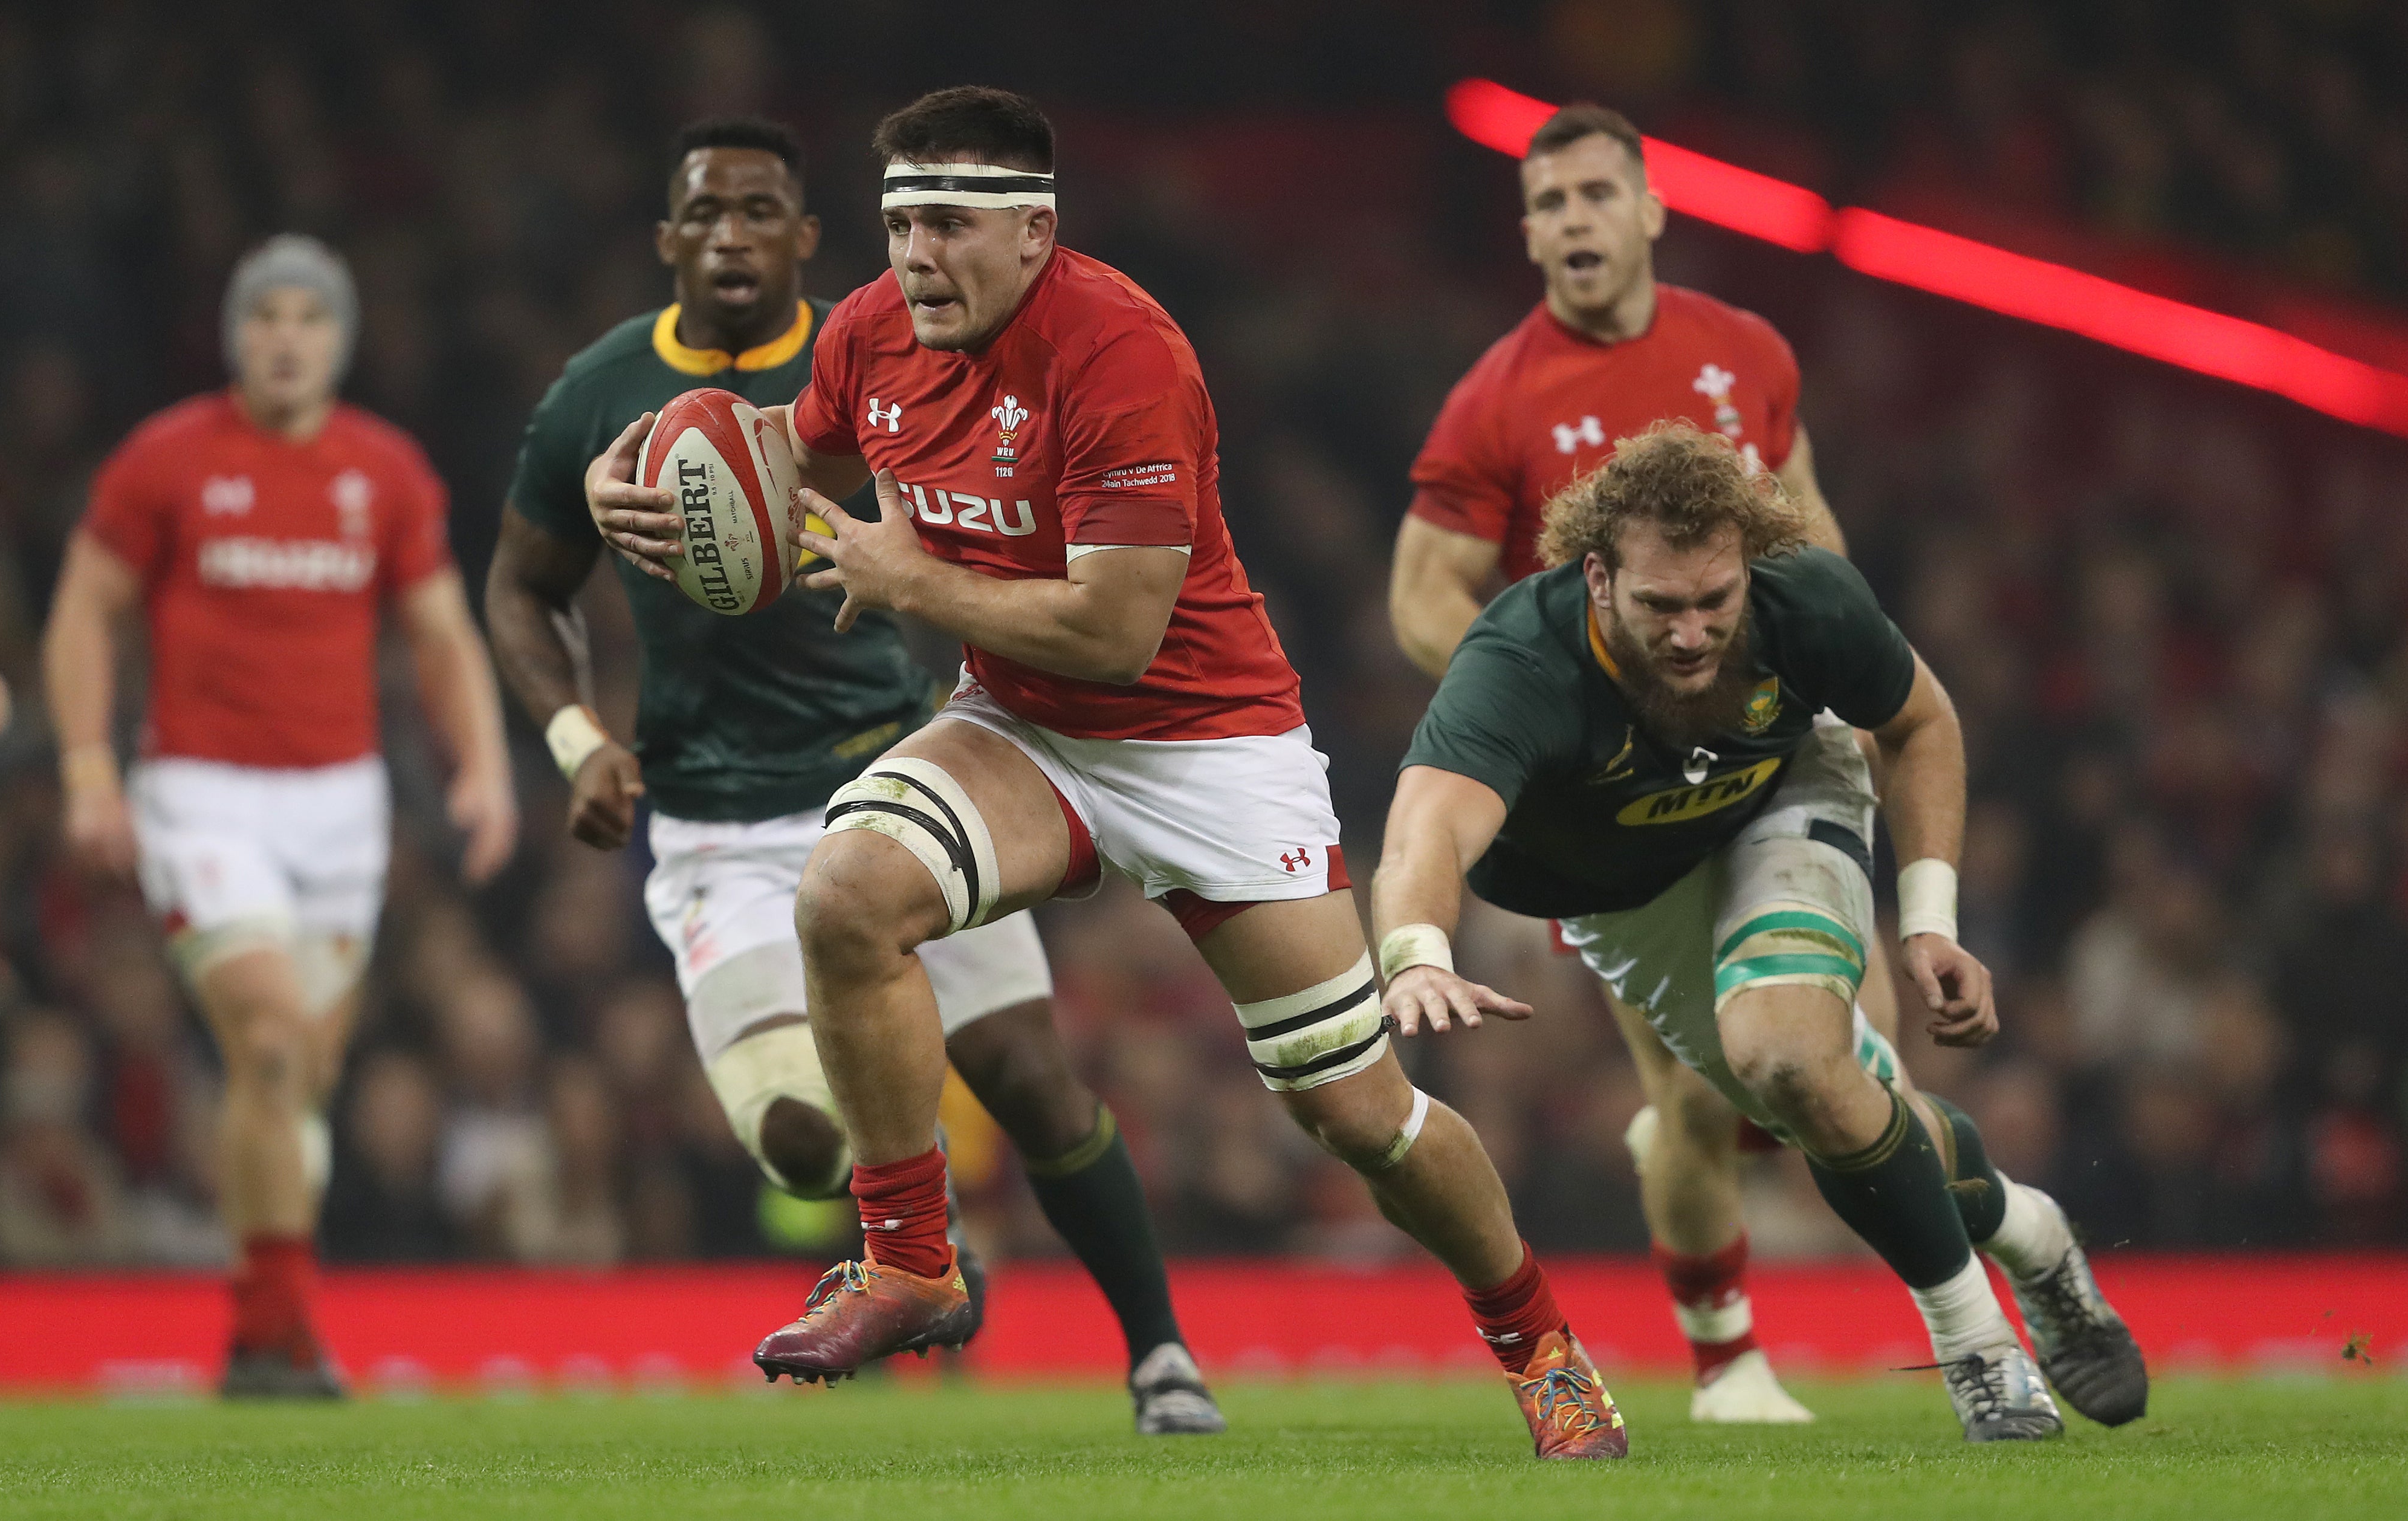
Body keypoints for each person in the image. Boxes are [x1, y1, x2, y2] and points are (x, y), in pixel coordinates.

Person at [586, 86, 1626, 1461]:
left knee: (1356, 1111)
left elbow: (1117, 632)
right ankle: (911, 1261)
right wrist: (659, 470)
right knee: (847, 890)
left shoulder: (1125, 349)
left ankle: (1539, 1344)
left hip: (1204, 743)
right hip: (1027, 732)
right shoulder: (871, 331)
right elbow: (792, 444)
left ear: (1034, 231)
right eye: (899, 222)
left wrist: (911, 576)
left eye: (949, 223)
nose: (913, 255)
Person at [485, 117, 1223, 1435]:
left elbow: (1006, 528)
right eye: (703, 214)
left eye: (757, 211)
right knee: (798, 1141)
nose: (729, 237)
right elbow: (519, 588)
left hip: (891, 776)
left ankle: (1161, 1353)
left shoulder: (886, 351)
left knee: (1035, 1085)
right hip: (715, 823)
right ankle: (925, 1255)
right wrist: (573, 736)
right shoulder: (599, 397)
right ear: (667, 240)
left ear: (802, 235)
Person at [1374, 421, 2150, 1442]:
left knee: (1783, 1054)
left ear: (1748, 568)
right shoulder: (1521, 662)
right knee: (1848, 1103)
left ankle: (1981, 1357)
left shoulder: (1806, 598)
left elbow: (1922, 723)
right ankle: (2032, 1233)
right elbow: (1423, 833)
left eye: (1714, 602)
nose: (1693, 633)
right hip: (1624, 897)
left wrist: (1927, 922)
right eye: (1661, 606)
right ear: (1597, 578)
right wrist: (1420, 952)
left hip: (1782, 801)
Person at [1391, 102, 1895, 1421]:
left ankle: (1969, 1304)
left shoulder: (1743, 351)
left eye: (1595, 196)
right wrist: (1540, 705)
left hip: (1774, 752)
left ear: (1651, 210)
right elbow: (1421, 594)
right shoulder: (1495, 396)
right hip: (1618, 799)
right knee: (1688, 1087)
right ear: (1528, 236)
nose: (1573, 223)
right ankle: (1727, 1360)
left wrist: (1839, 686)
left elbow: (1810, 530)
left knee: (1854, 1061)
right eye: (1548, 205)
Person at [44, 234, 516, 1397]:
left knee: (297, 1082)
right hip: (203, 798)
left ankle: (264, 1320)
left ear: (341, 339)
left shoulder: (386, 472)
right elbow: (82, 614)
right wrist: (92, 773)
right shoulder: (168, 460)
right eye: (266, 319)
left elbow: (442, 632)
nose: (286, 339)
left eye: (309, 319)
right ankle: (274, 1333)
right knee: (263, 1040)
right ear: (234, 335)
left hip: (340, 810)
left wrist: (485, 768)